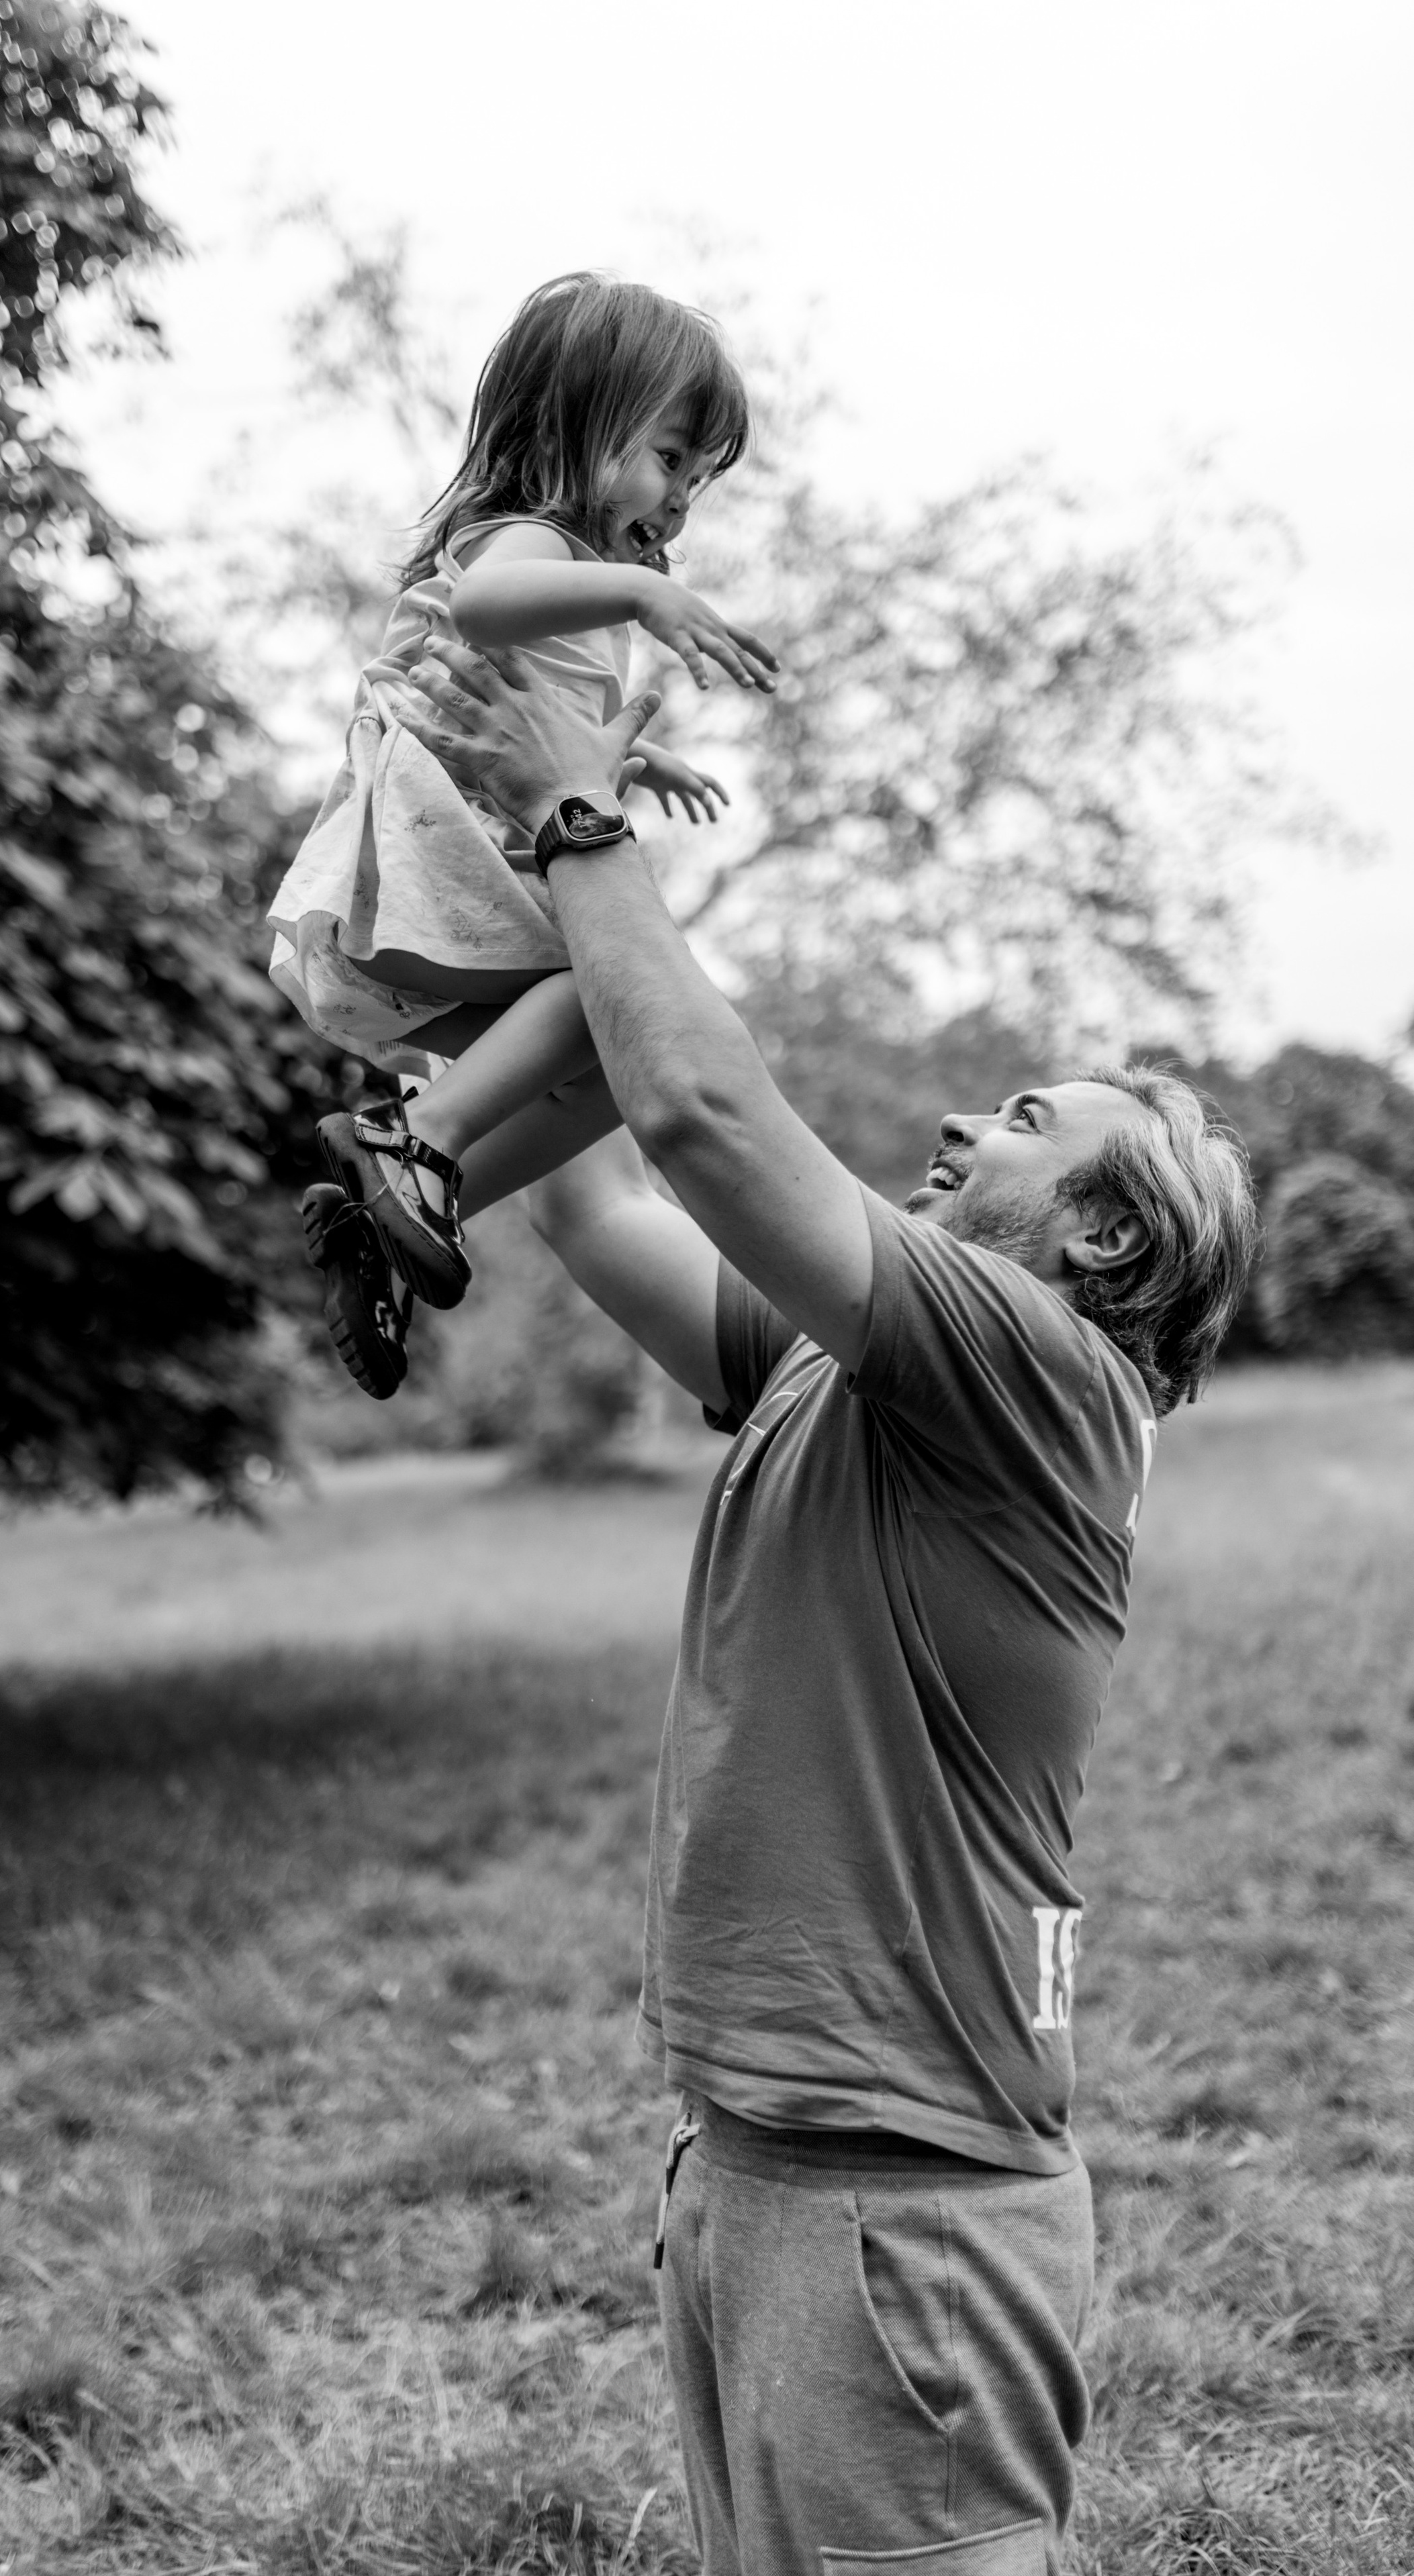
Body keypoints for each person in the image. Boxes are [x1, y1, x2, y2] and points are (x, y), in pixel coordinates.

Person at [359, 634, 1259, 2576]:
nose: (957, 1128)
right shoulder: (841, 1359)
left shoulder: (1033, 1369)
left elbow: (703, 1113)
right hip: (761, 2161)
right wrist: (453, 891)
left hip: (905, 2205)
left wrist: (579, 808)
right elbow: (602, 1200)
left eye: (1021, 1117)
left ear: (1103, 1233)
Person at [269, 272, 776, 1392]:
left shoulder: (577, 586)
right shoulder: (527, 543)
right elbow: (487, 609)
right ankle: (418, 1141)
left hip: (445, 883)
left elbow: (552, 740)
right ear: (571, 427)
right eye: (669, 457)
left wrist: (637, 761)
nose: (684, 496)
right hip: (417, 873)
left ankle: (393, 1200)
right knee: (609, 999)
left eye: (701, 477)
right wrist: (643, 599)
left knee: (614, 1064)